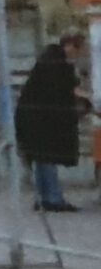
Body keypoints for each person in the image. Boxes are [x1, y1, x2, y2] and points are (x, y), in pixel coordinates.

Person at [16, 30, 90, 211]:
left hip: (33, 116)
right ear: (70, 45)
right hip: (40, 118)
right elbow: (67, 89)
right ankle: (53, 198)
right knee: (47, 155)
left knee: (42, 157)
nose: (78, 54)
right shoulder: (57, 62)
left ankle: (44, 197)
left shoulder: (50, 58)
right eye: (78, 50)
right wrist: (91, 100)